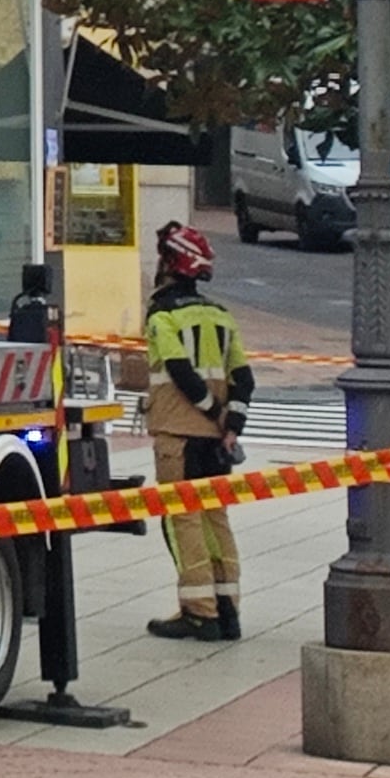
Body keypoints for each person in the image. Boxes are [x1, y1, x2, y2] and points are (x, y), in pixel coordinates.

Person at [141, 221, 254, 644]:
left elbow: (180, 372)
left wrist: (211, 411)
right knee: (216, 517)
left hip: (178, 434)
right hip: (216, 441)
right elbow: (245, 378)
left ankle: (200, 613)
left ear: (171, 264)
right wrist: (231, 423)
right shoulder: (220, 316)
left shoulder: (162, 316)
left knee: (182, 521)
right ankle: (228, 611)